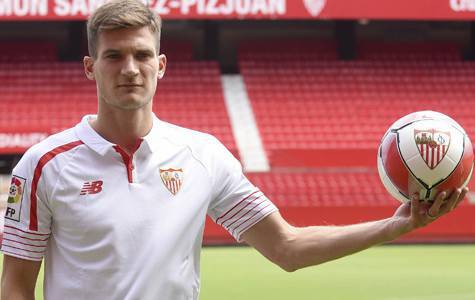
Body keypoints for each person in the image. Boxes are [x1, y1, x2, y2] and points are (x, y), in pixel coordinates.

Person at [0, 0, 469, 299]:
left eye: (142, 55)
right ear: (89, 67)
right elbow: (17, 286)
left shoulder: (204, 155)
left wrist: (396, 224)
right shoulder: (43, 165)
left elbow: (287, 247)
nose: (130, 68)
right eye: (114, 56)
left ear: (161, 65)